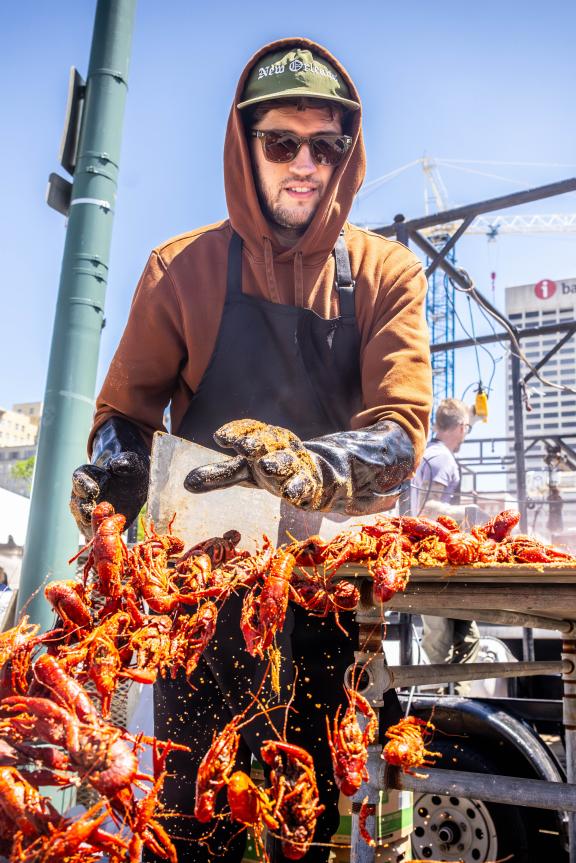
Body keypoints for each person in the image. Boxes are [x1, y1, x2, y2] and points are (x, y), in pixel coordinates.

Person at [70, 38, 432, 862]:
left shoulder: (387, 275)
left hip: (346, 604)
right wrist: (114, 474)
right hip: (201, 609)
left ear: (347, 153)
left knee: (348, 830)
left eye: (325, 144)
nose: (304, 163)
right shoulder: (181, 270)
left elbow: (399, 432)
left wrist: (311, 468)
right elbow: (123, 414)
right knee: (192, 825)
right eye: (281, 142)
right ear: (246, 146)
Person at [411, 397, 485, 694]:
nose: (467, 433)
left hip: (436, 557)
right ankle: (442, 706)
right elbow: (429, 508)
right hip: (436, 559)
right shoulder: (442, 459)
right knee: (443, 640)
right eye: (467, 427)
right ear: (459, 427)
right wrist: (470, 511)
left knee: (462, 637)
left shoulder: (429, 454)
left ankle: (451, 700)